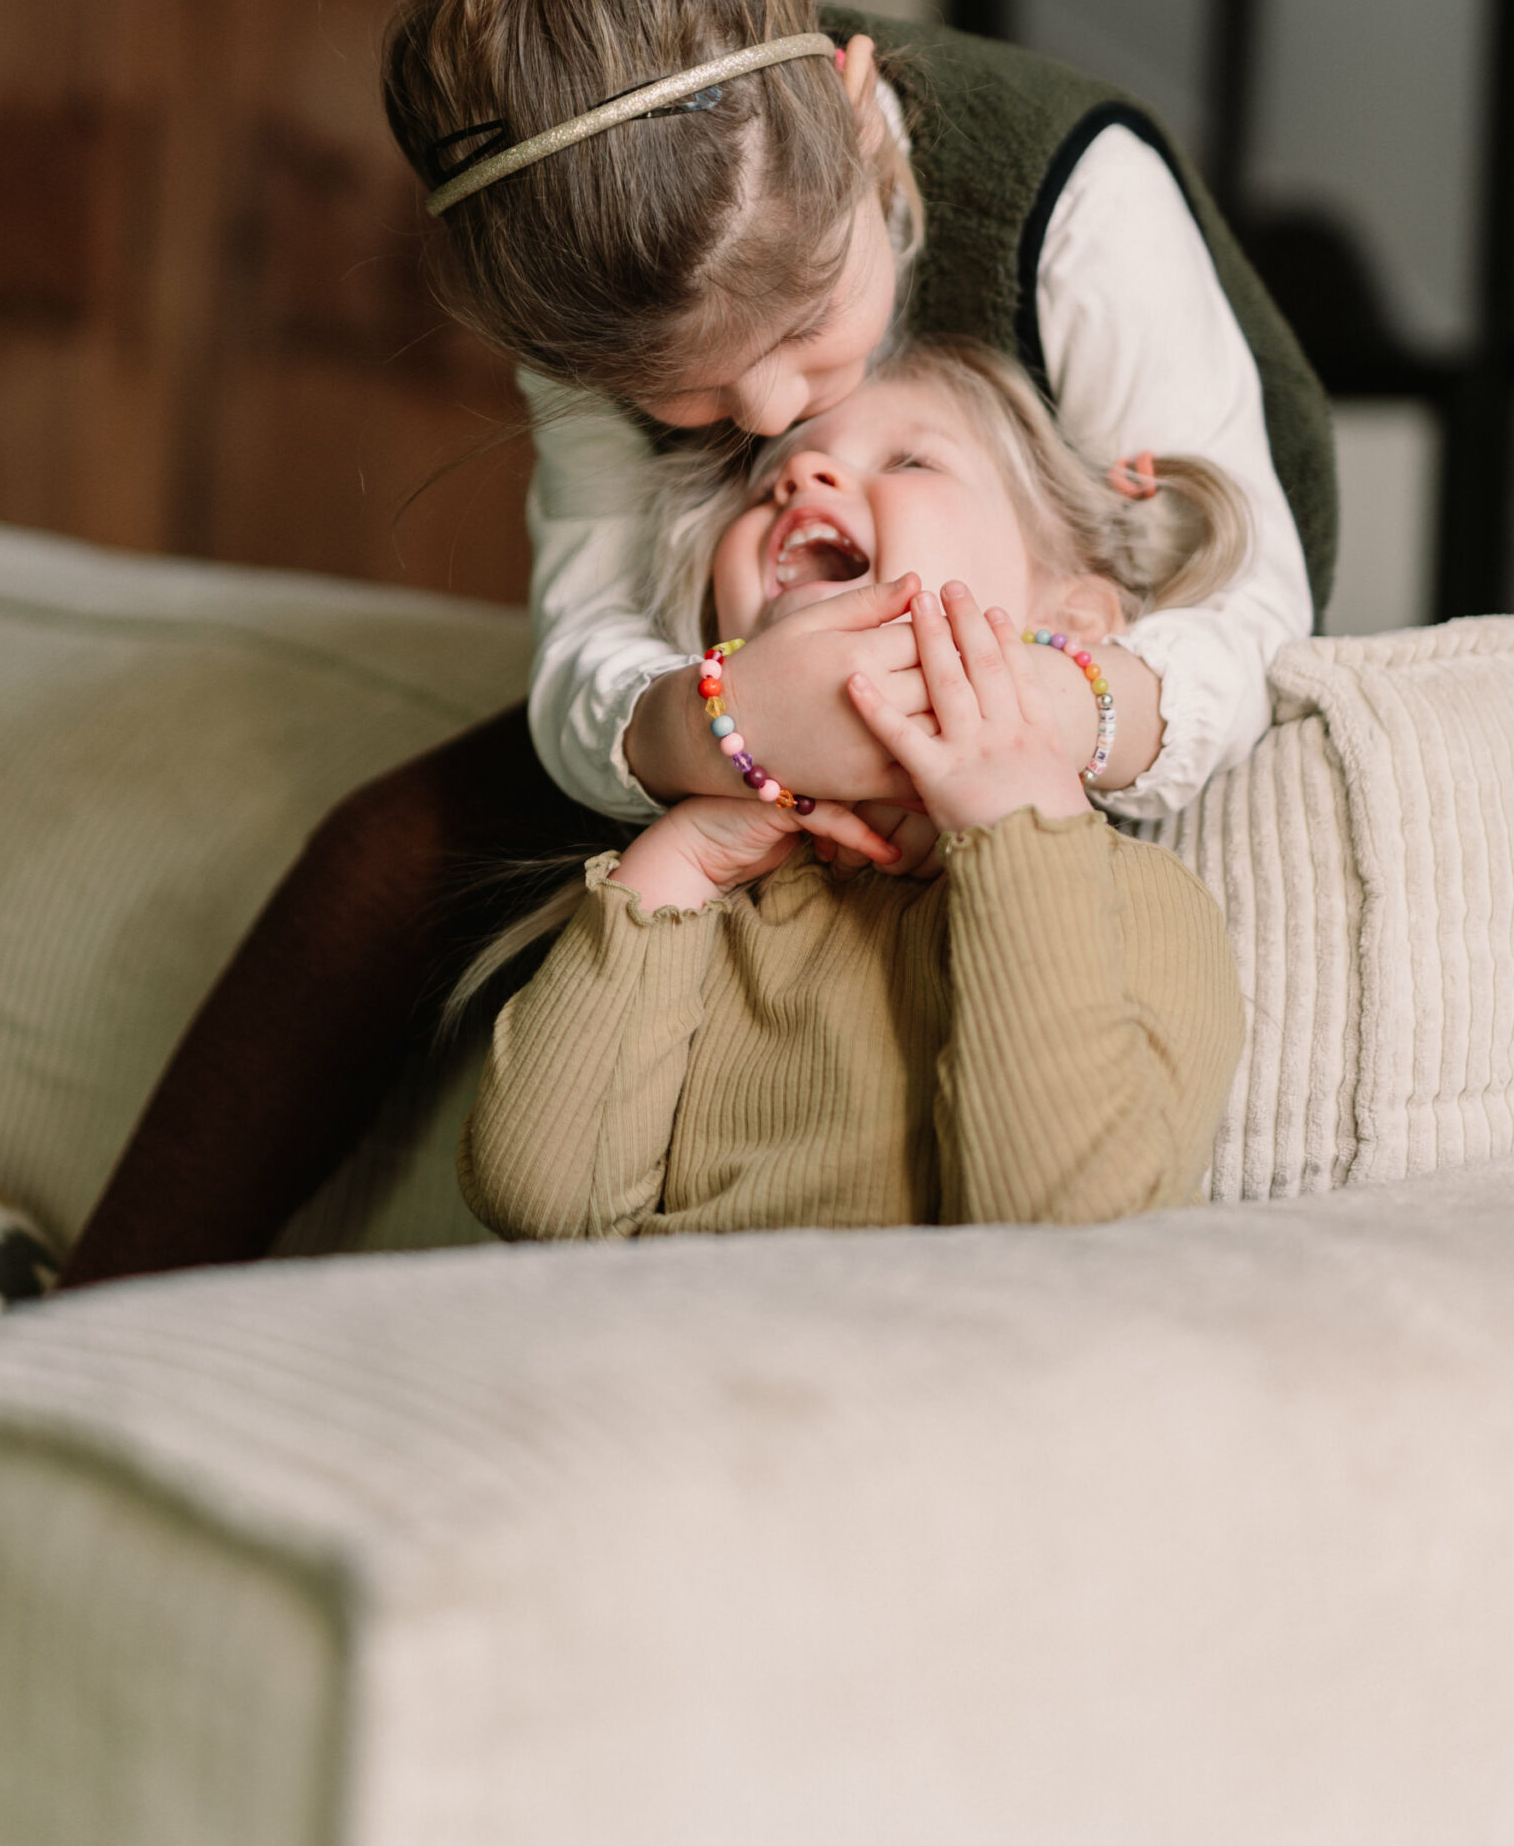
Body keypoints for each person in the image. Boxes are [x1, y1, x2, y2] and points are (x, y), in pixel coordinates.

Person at [60, 0, 1327, 1286]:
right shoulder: (591, 282)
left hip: (1123, 570)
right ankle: (97, 1309)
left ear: (858, 113)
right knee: (390, 849)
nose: (773, 419)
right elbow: (587, 646)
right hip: (756, 659)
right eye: (687, 397)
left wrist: (1040, 711)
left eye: (806, 326)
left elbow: (1244, 616)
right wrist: (724, 723)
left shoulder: (1083, 204)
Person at [460, 338, 1246, 1241]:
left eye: (910, 459)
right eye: (766, 486)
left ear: (1070, 615)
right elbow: (540, 1200)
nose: (802, 479)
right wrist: (678, 862)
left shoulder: (1132, 902)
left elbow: (1064, 1228)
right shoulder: (705, 908)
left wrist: (1015, 829)